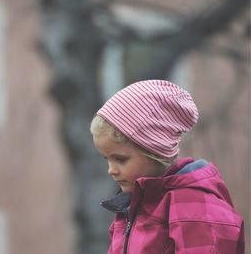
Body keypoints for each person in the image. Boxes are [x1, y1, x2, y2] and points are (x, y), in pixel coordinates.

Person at [90, 79, 244, 254]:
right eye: (106, 159)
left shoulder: (196, 209)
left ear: (154, 150)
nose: (112, 170)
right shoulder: (133, 209)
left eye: (121, 159)